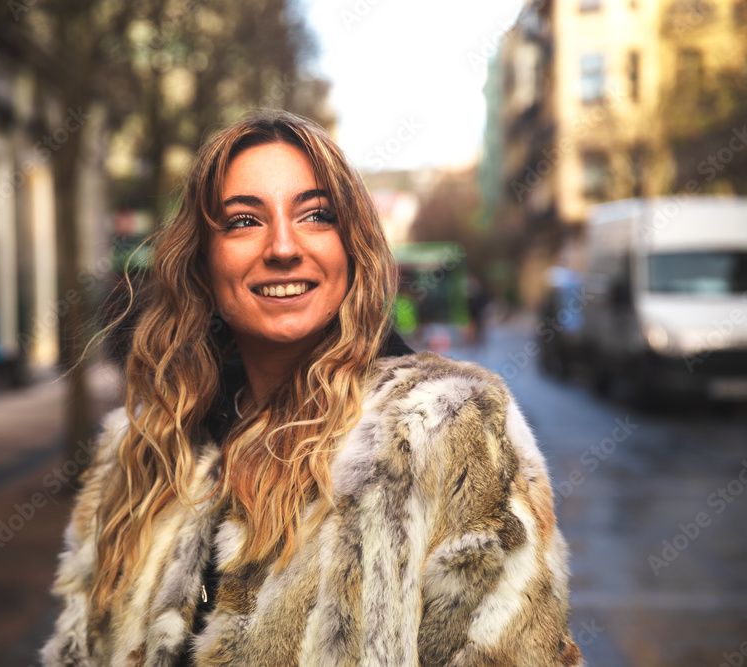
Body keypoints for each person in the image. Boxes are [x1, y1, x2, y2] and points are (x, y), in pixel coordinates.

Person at [41, 111, 583, 666]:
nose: (282, 246)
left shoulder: (446, 429)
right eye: (244, 221)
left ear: (352, 247)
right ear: (204, 259)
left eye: (316, 216)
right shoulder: (144, 451)